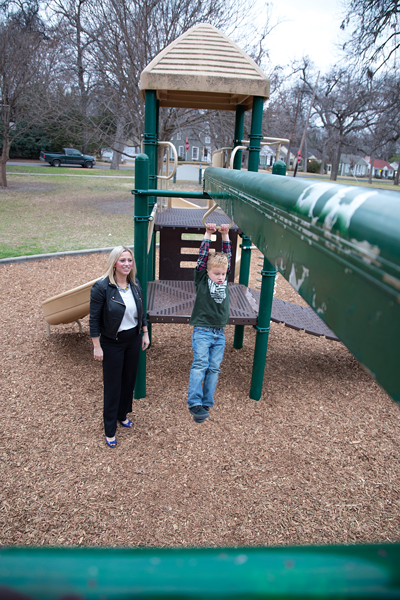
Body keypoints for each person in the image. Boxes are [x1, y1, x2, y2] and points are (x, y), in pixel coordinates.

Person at [89, 246, 149, 447]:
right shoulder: (102, 287)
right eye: (122, 260)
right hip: (112, 342)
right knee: (113, 385)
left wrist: (145, 333)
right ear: (114, 262)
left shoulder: (134, 284)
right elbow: (94, 319)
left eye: (129, 260)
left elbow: (142, 311)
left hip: (132, 339)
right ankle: (109, 429)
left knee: (129, 380)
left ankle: (122, 414)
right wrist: (97, 346)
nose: (126, 264)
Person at [187, 222, 231, 423]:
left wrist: (225, 235)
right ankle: (194, 402)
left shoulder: (224, 280)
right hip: (203, 331)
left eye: (223, 274)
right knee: (200, 365)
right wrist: (208, 233)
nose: (221, 277)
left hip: (219, 332)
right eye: (217, 274)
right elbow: (203, 257)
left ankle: (206, 403)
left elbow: (227, 256)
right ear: (207, 272)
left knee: (214, 368)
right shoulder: (202, 280)